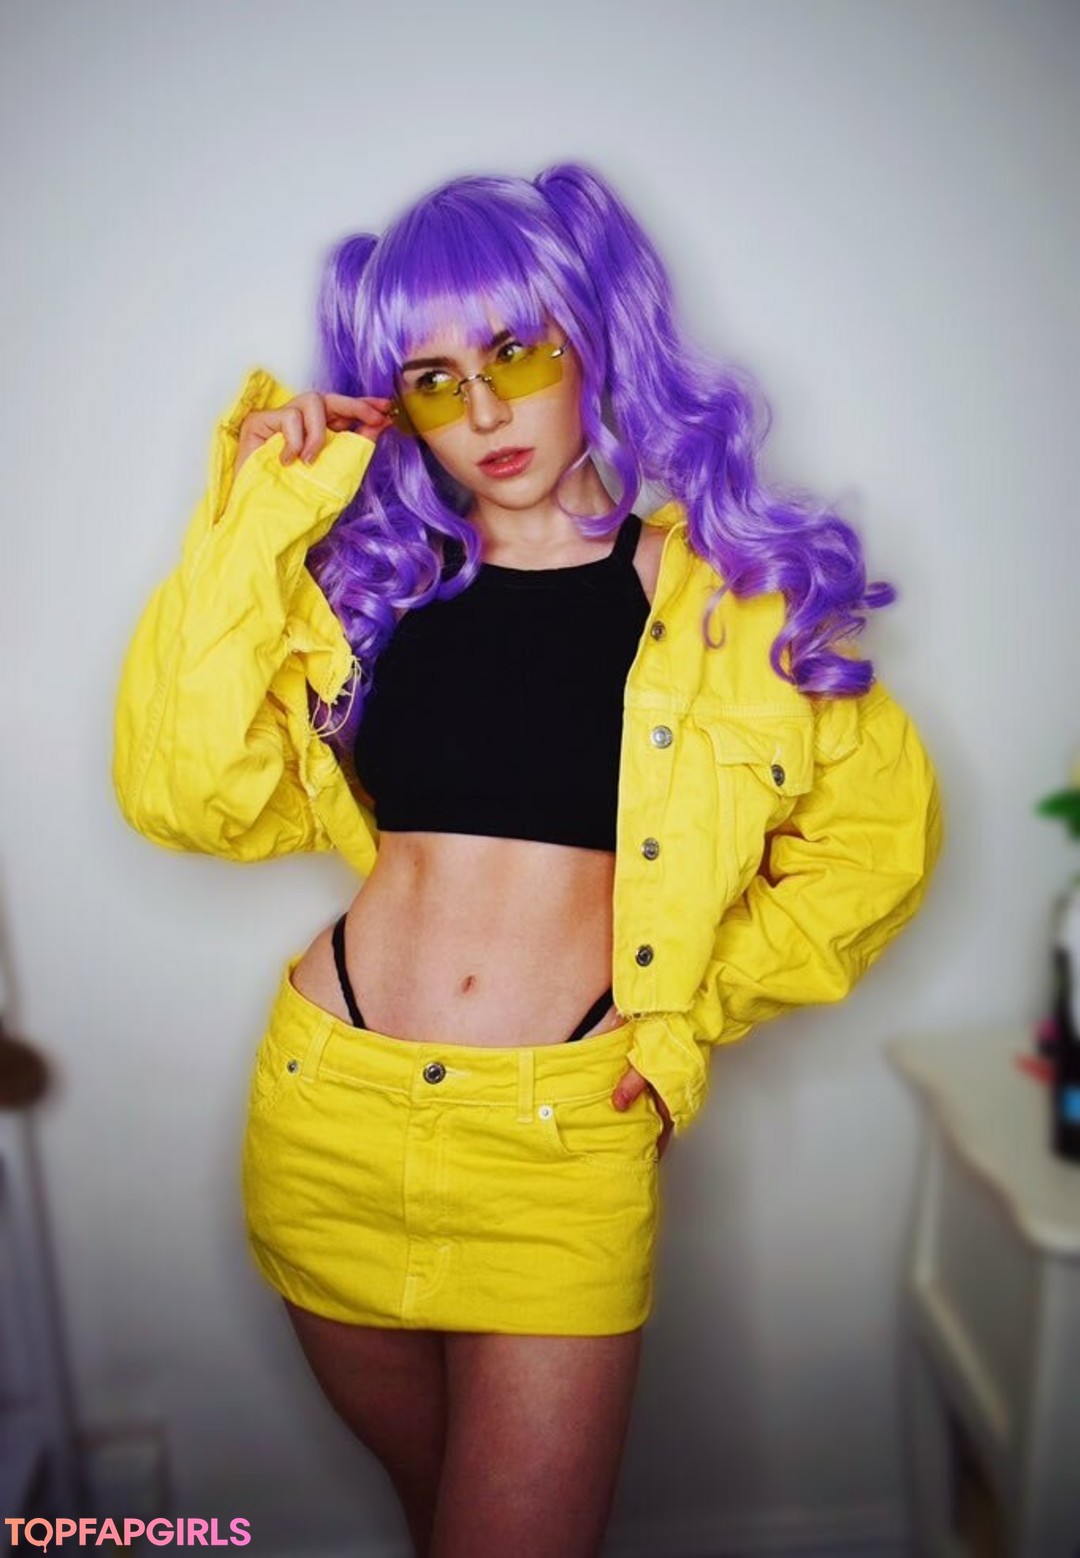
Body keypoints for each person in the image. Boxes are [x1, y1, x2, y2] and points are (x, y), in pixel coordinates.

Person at [112, 162, 943, 1558]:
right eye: (434, 380)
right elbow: (181, 791)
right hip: (329, 1113)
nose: (485, 411)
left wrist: (682, 1020)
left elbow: (876, 848)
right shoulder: (368, 592)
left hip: (563, 1140)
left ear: (593, 336)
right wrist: (262, 508)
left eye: (516, 352)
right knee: (438, 1520)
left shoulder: (728, 604)